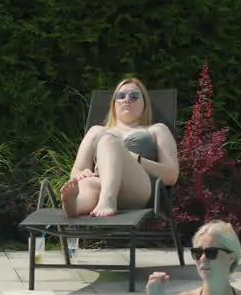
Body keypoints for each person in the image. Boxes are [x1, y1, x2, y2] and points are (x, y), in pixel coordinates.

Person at [60, 76, 181, 218]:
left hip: (137, 188)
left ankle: (108, 198)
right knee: (88, 184)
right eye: (121, 96)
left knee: (108, 141)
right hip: (99, 185)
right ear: (114, 103)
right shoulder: (96, 131)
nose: (127, 99)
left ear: (144, 104)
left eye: (134, 96)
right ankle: (73, 205)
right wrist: (83, 173)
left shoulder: (157, 130)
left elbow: (171, 175)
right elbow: (76, 171)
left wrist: (135, 158)